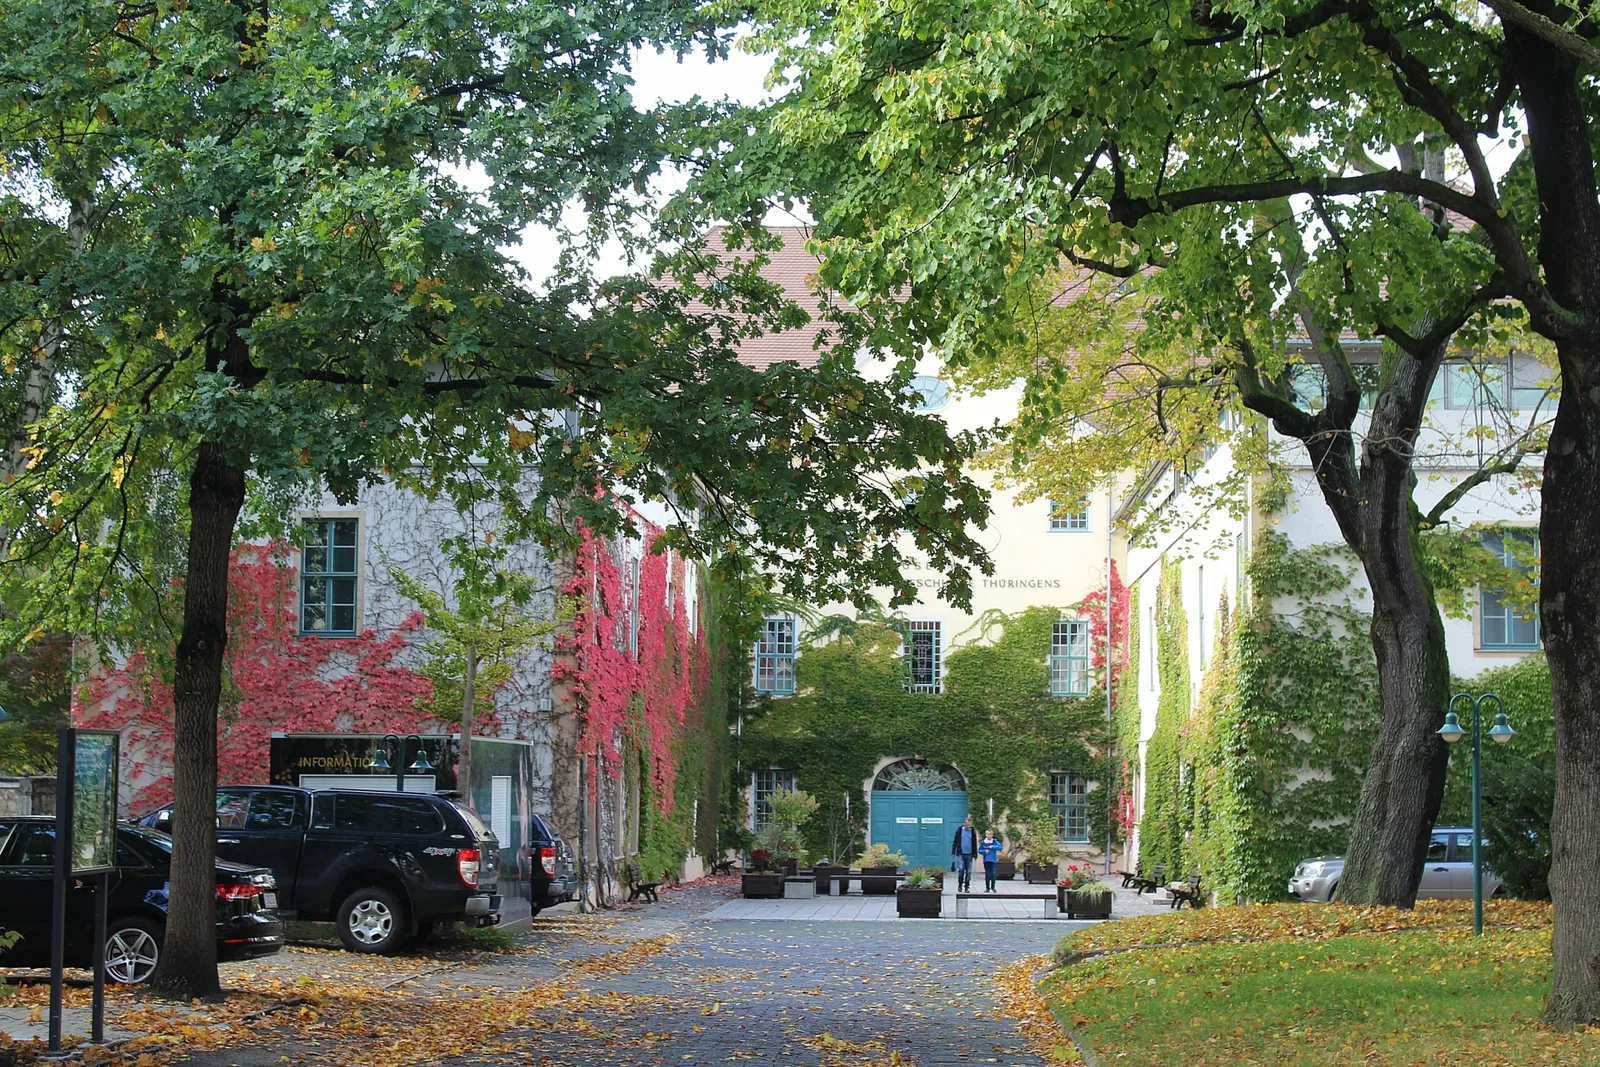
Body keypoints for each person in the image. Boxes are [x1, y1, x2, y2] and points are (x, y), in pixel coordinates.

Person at [951, 816, 980, 892]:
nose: (967, 826)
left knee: (969, 871)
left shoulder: (972, 831)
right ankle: (960, 884)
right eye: (966, 824)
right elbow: (955, 841)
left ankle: (967, 887)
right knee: (961, 869)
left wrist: (975, 854)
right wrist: (953, 852)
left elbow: (974, 843)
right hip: (961, 853)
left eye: (969, 824)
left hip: (969, 853)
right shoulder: (959, 830)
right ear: (964, 823)